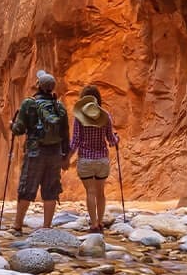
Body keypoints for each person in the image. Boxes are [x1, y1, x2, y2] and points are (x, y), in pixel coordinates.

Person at [10, 71, 69, 233]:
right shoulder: (59, 106)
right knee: (51, 189)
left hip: (34, 153)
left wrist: (11, 125)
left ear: (38, 86)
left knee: (27, 187)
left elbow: (19, 129)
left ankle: (17, 225)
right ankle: (47, 227)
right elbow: (65, 133)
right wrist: (65, 157)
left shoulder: (29, 104)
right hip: (55, 153)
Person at [69, 84, 117, 232]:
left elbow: (75, 141)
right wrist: (117, 138)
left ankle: (94, 224)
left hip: (85, 160)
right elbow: (111, 141)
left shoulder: (79, 118)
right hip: (102, 160)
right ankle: (101, 222)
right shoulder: (106, 116)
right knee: (100, 193)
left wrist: (66, 158)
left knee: (90, 192)